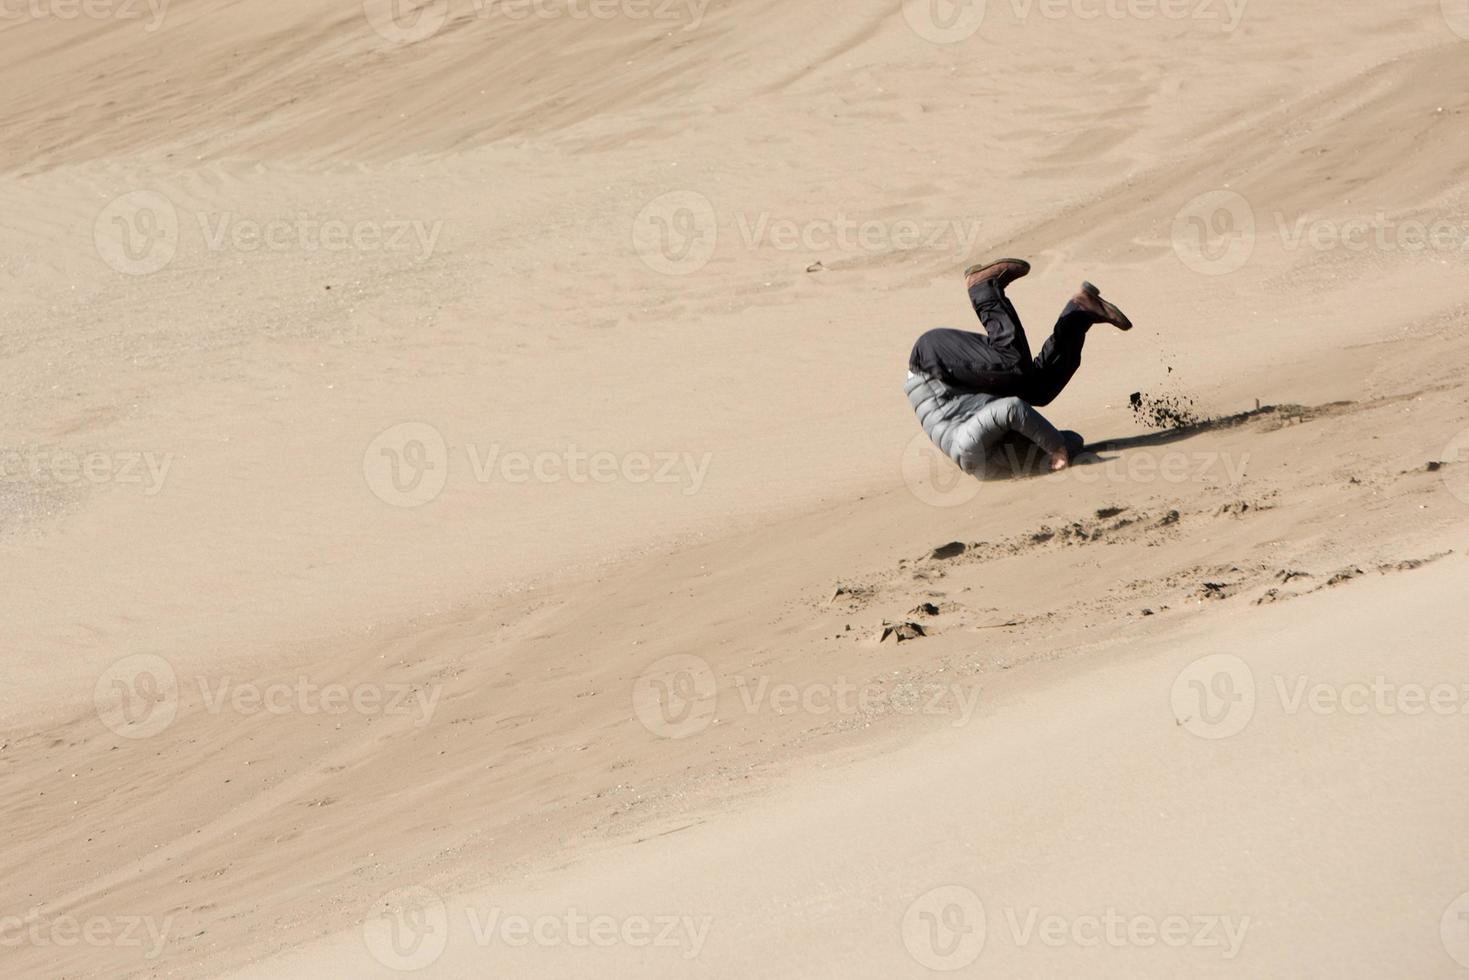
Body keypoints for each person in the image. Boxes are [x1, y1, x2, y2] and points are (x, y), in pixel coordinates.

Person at [905, 258, 1132, 475]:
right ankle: (1081, 311)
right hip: (960, 384)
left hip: (933, 364)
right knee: (1040, 390)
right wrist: (1060, 447)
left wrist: (1055, 449)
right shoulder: (995, 449)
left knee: (1013, 364)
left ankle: (983, 288)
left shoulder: (970, 447)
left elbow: (1013, 409)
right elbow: (1073, 440)